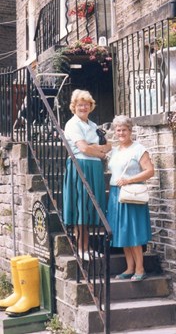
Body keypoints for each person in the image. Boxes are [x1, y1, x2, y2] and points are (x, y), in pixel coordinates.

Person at [63, 89, 111, 261]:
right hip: (80, 165)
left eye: (86, 104)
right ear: (74, 106)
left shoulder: (92, 125)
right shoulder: (72, 124)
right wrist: (98, 151)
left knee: (92, 206)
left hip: (94, 167)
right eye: (80, 104)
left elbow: (108, 146)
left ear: (91, 106)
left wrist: (95, 148)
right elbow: (83, 149)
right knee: (81, 207)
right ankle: (81, 248)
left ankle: (88, 247)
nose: (83, 107)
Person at [107, 115, 154, 281]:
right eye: (118, 130)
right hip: (115, 194)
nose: (121, 133)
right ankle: (129, 268)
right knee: (123, 232)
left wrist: (129, 180)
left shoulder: (139, 149)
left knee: (133, 232)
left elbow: (150, 171)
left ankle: (140, 269)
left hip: (131, 193)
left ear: (130, 130)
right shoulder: (114, 151)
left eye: (124, 130)